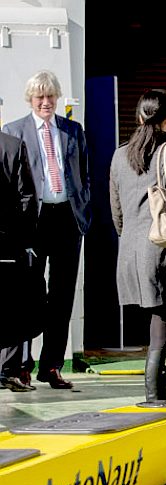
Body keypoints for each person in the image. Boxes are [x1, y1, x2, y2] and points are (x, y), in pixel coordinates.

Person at [109, 89, 166, 402]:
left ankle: (156, 398)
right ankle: (154, 401)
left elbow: (117, 211)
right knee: (164, 329)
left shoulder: (120, 155)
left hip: (132, 253)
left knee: (161, 326)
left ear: (139, 117)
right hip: (164, 250)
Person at [3, 70, 91, 390]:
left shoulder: (72, 130)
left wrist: (85, 209)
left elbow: (84, 174)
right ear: (31, 99)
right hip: (32, 222)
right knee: (27, 295)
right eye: (40, 97)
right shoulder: (14, 131)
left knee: (62, 295)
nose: (46, 102)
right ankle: (22, 366)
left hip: (67, 217)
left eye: (50, 96)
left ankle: (51, 366)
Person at [0, 131, 39, 392]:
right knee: (10, 306)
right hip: (7, 243)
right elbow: (27, 196)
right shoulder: (12, 146)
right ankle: (8, 371)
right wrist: (25, 237)